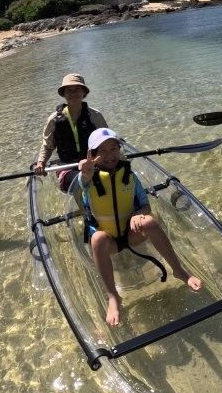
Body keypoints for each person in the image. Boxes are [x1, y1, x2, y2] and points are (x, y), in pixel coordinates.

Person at [78, 128, 202, 326]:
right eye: (102, 151)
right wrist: (85, 171)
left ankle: (179, 270)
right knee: (97, 239)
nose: (109, 155)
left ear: (119, 150)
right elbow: (83, 180)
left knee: (149, 221)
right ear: (93, 156)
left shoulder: (130, 176)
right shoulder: (88, 179)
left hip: (131, 234)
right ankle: (113, 296)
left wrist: (138, 214)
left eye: (113, 149)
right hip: (109, 241)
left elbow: (145, 205)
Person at [33, 73, 109, 192]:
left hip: (92, 163)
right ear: (63, 94)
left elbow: (107, 141)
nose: (73, 93)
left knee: (110, 177)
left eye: (77, 89)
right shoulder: (53, 120)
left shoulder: (95, 116)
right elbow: (47, 146)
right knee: (82, 181)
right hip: (66, 167)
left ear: (84, 92)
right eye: (69, 90)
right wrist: (41, 163)